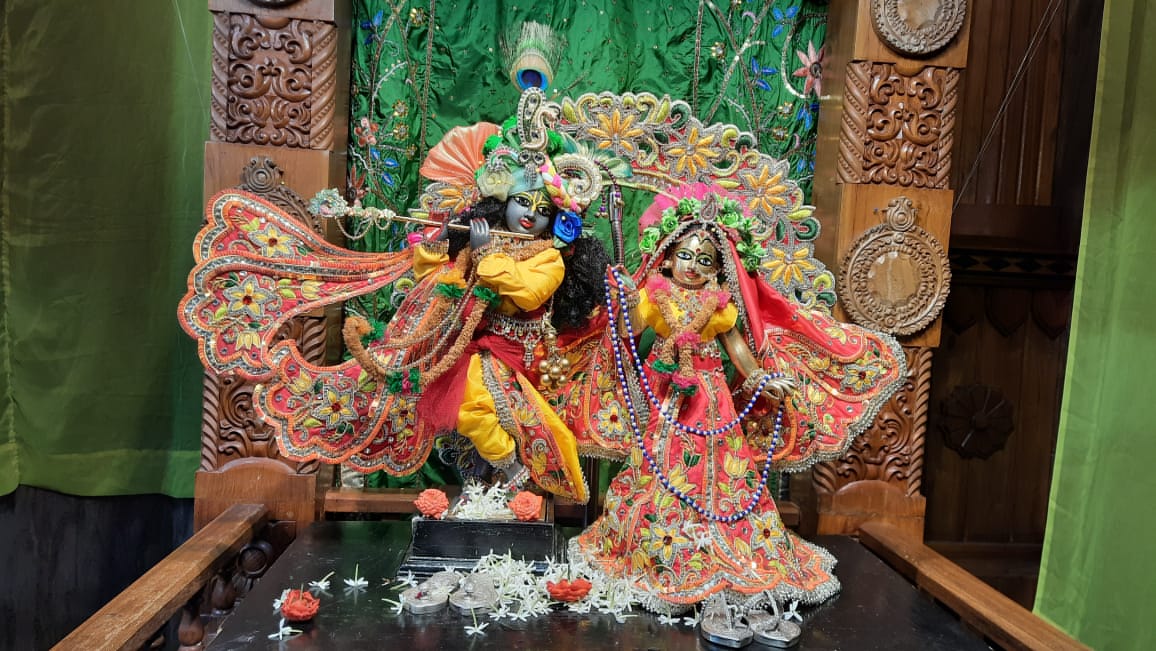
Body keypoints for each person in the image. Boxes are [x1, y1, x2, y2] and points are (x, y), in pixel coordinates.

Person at [179, 88, 613, 503]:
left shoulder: (550, 257)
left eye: (542, 210)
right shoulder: (483, 240)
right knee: (456, 403)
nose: (529, 215)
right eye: (522, 201)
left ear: (558, 219)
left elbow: (527, 292)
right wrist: (441, 244)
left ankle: (513, 472)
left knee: (474, 407)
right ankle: (503, 473)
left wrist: (484, 256)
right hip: (472, 344)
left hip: (518, 354)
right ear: (502, 202)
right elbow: (439, 276)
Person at [569, 184, 906, 642]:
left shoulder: (720, 307)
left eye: (705, 259)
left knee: (721, 470)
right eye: (685, 255)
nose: (693, 266)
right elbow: (628, 332)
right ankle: (665, 541)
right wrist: (625, 300)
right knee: (658, 467)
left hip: (710, 396)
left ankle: (723, 545)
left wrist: (761, 378)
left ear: (718, 269)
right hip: (665, 391)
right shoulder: (654, 295)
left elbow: (740, 352)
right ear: (666, 258)